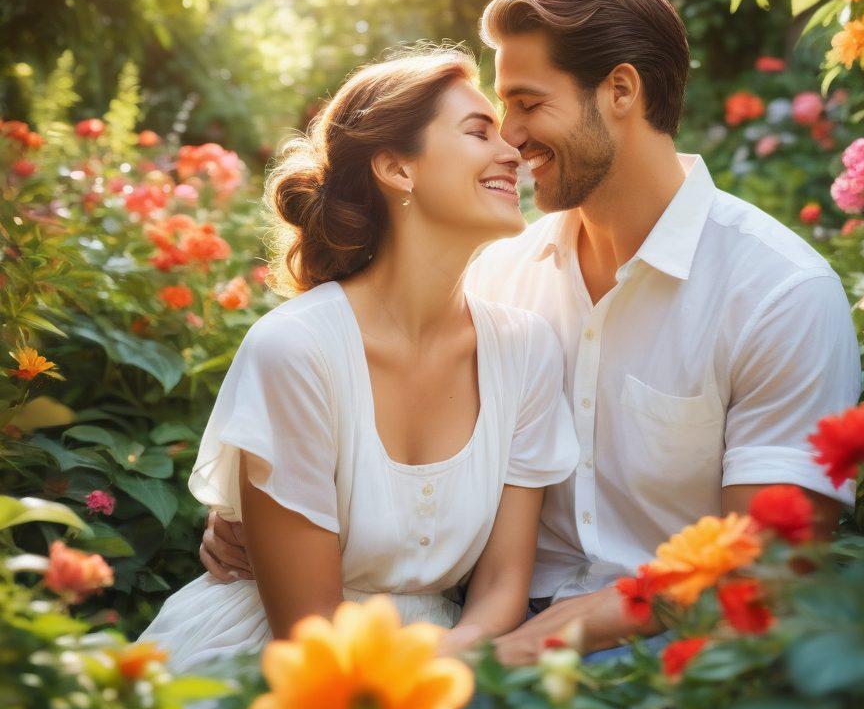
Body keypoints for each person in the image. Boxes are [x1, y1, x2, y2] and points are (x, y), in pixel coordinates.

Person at [200, 0, 862, 665]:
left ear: (620, 91)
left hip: (668, 637)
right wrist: (260, 517)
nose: (509, 139)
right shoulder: (492, 273)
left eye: (525, 103)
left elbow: (771, 559)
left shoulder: (778, 293)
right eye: (494, 114)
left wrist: (570, 631)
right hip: (481, 628)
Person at [139, 47, 579, 674]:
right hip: (270, 664)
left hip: (449, 659)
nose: (511, 149)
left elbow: (502, 590)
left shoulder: (525, 350)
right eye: (478, 131)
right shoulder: (295, 351)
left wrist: (440, 667)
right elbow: (309, 636)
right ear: (398, 169)